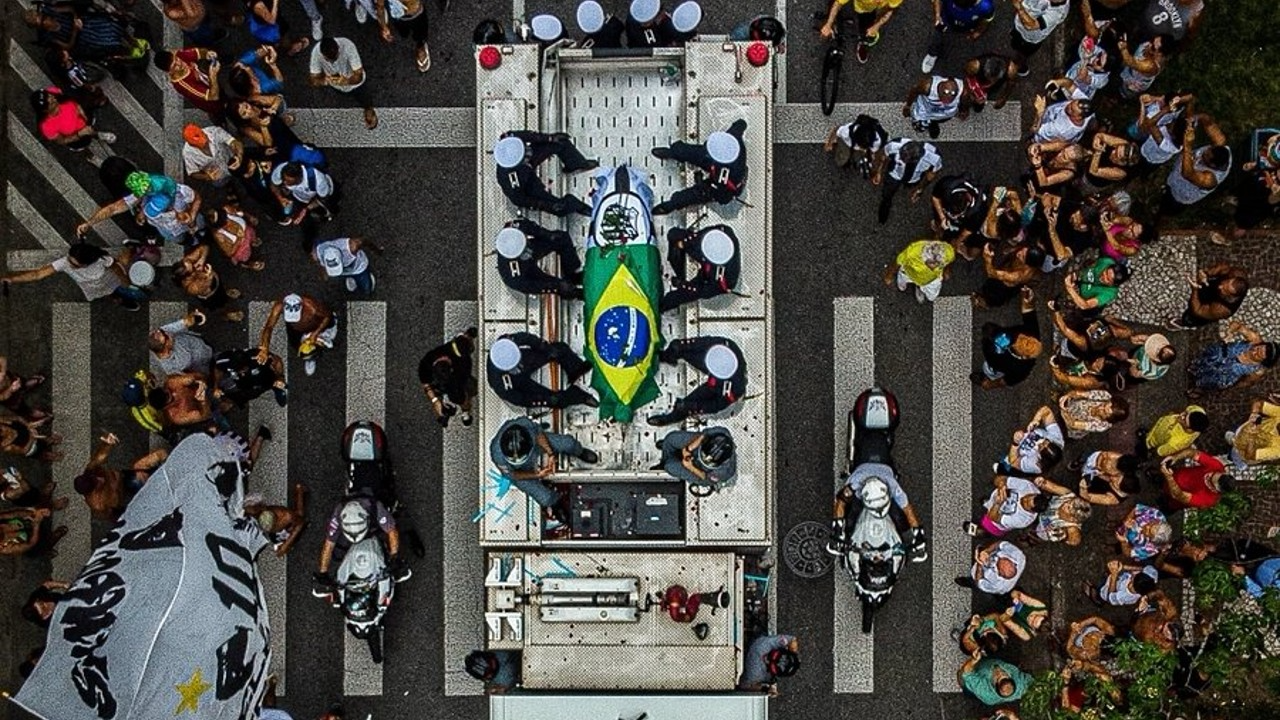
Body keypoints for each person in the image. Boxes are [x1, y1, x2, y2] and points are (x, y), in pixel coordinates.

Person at [489, 417, 599, 517]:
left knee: (568, 443)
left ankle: (579, 451)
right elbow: (513, 475)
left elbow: (539, 434)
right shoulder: (497, 455)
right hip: (520, 471)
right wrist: (537, 474)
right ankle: (556, 504)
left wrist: (550, 454)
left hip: (534, 448)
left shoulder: (524, 424)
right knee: (544, 498)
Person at [2, 242, 141, 311]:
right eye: (70, 260)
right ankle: (115, 297)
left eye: (75, 264)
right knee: (105, 293)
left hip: (107, 278)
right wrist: (13, 279)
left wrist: (125, 281)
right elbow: (38, 274)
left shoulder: (102, 260)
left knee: (120, 270)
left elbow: (117, 269)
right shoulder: (64, 262)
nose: (69, 264)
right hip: (90, 286)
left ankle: (130, 247)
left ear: (87, 263)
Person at [829, 461, 928, 557]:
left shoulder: (893, 485)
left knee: (899, 518)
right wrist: (838, 529)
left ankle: (906, 537)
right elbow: (841, 500)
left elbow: (907, 508)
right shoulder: (854, 483)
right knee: (850, 519)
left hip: (880, 470)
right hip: (863, 475)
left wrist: (918, 533)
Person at [651, 119, 749, 215]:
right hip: (716, 164)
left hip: (722, 184)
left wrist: (701, 184)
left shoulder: (727, 177)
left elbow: (723, 198)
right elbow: (741, 124)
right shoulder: (731, 139)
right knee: (690, 151)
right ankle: (674, 152)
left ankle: (671, 205)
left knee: (696, 194)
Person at [647, 337, 747, 426]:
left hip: (716, 387)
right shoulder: (725, 345)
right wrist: (684, 345)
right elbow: (703, 342)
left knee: (685, 407)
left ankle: (668, 419)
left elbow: (716, 405)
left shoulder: (736, 388)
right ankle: (665, 356)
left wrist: (695, 407)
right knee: (678, 347)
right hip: (709, 361)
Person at [486, 333, 597, 410]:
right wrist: (544, 400)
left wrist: (544, 347)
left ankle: (575, 368)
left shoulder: (505, 343)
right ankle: (579, 396)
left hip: (526, 358)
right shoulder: (499, 385)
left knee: (560, 349)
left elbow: (527, 338)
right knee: (556, 401)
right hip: (520, 382)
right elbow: (521, 400)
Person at [73, 432, 166, 521]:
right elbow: (112, 516)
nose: (100, 479)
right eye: (97, 483)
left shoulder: (91, 470)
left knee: (142, 470)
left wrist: (107, 445)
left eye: (95, 477)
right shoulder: (98, 504)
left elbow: (99, 457)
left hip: (123, 479)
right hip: (123, 498)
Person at [493, 135, 593, 216]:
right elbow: (519, 199)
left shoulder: (510, 138)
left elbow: (530, 135)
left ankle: (576, 163)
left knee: (560, 142)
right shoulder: (509, 178)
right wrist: (541, 205)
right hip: (528, 183)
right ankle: (578, 206)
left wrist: (549, 138)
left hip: (529, 163)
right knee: (558, 207)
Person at [315, 490, 402, 583]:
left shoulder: (375, 506)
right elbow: (329, 544)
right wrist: (323, 572)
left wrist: (394, 556)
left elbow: (392, 531)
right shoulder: (338, 514)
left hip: (372, 529)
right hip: (352, 533)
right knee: (337, 553)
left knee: (387, 541)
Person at [1160, 114, 1231, 217]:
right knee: (1167, 191)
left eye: (1206, 156)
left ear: (1212, 165)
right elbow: (1207, 120)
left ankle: (1163, 216)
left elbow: (1187, 173)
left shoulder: (1210, 179)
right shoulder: (1220, 144)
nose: (1203, 153)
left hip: (1181, 194)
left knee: (1169, 208)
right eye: (1207, 150)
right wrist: (1194, 119)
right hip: (1175, 179)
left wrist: (1187, 145)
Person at [493, 221, 584, 299]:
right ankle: (579, 294)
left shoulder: (513, 228)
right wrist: (555, 286)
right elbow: (532, 286)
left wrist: (548, 234)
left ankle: (573, 274)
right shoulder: (513, 277)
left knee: (561, 238)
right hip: (527, 271)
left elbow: (531, 227)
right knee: (562, 287)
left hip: (532, 247)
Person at [660, 225, 741, 311]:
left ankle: (661, 307)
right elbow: (697, 236)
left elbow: (700, 291)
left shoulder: (725, 279)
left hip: (708, 277)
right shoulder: (722, 232)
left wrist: (682, 284)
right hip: (702, 250)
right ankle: (677, 266)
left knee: (675, 297)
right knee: (674, 234)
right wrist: (684, 243)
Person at [975, 287, 1041, 389]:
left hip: (994, 356)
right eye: (1026, 341)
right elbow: (1028, 312)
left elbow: (1005, 381)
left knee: (990, 369)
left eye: (1024, 341)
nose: (1023, 338)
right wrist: (988, 385)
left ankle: (987, 374)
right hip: (993, 353)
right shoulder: (1031, 333)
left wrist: (990, 385)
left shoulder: (1021, 369)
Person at [257, 293, 338, 376]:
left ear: (302, 306)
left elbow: (327, 316)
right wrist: (264, 348)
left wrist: (315, 334)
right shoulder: (279, 306)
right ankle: (309, 356)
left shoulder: (312, 306)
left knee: (327, 326)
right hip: (296, 329)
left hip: (315, 325)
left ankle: (323, 336)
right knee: (297, 345)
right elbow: (269, 327)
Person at [309, 37, 378, 130]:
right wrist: (324, 81)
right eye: (329, 60)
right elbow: (314, 80)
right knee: (343, 93)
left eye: (335, 57)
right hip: (336, 86)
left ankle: (369, 109)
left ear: (338, 48)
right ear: (322, 55)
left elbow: (359, 75)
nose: (332, 62)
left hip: (356, 84)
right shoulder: (316, 54)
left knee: (364, 97)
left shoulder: (348, 45)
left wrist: (348, 81)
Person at [1187, 323, 1278, 393]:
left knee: (1207, 383)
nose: (1254, 352)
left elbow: (1246, 382)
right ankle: (1193, 368)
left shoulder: (1258, 371)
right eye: (1257, 348)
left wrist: (1231, 386)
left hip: (1224, 375)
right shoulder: (1254, 339)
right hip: (1217, 355)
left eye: (1257, 355)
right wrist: (1229, 333)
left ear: (1263, 361)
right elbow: (1237, 325)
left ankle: (1198, 387)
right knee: (1202, 362)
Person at [872, 137, 942, 225]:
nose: (900, 160)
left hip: (914, 179)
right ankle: (884, 209)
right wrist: (879, 171)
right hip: (894, 175)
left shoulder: (934, 157)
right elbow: (883, 156)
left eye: (904, 160)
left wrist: (921, 189)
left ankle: (906, 186)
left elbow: (931, 174)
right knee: (887, 195)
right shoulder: (894, 145)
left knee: (909, 185)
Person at [963, 474, 1058, 538]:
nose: (1024, 499)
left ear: (1032, 511)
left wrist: (997, 503)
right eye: (1028, 497)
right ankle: (988, 503)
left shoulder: (1023, 520)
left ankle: (980, 531)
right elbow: (999, 479)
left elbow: (993, 517)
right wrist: (1001, 485)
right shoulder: (1028, 487)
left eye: (1026, 504)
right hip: (996, 498)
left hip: (996, 521)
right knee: (991, 497)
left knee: (986, 527)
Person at [418, 328, 478, 427]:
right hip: (450, 383)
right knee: (460, 398)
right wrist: (435, 401)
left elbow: (426, 385)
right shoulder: (426, 368)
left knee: (467, 392)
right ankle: (465, 412)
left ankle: (465, 411)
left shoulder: (463, 364)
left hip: (456, 380)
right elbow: (426, 384)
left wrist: (434, 400)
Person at [31, 86, 114, 154]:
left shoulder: (52, 91)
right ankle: (90, 154)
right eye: (52, 103)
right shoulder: (47, 126)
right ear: (45, 110)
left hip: (84, 119)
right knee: (84, 145)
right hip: (77, 137)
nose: (55, 100)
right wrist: (80, 134)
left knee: (92, 129)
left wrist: (80, 109)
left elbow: (71, 99)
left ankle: (97, 135)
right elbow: (62, 141)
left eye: (51, 96)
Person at [920, 0, 995, 74]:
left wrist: (978, 31)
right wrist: (937, 15)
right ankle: (933, 53)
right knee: (937, 38)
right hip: (945, 20)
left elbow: (986, 20)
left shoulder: (986, 6)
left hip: (967, 26)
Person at [817, 0, 903, 65]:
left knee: (866, 25)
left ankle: (862, 41)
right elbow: (838, 3)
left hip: (867, 9)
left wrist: (876, 26)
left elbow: (890, 9)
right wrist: (828, 24)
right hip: (863, 7)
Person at [1168, 264, 1250, 330]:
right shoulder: (1237, 274)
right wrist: (1207, 273)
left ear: (1231, 295)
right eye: (1226, 282)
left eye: (1225, 290)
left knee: (1192, 318)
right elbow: (1223, 267)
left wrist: (1195, 290)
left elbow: (1198, 310)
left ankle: (1184, 323)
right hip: (1210, 289)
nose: (1220, 287)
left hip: (1207, 307)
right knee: (1206, 289)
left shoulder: (1222, 309)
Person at [174, 244, 243, 322]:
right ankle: (227, 314)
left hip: (216, 282)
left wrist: (201, 259)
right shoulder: (191, 287)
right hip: (211, 295)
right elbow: (206, 284)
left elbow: (204, 247)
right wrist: (208, 274)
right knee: (219, 305)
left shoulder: (187, 262)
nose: (194, 265)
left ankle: (227, 293)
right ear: (187, 277)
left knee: (222, 288)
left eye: (191, 264)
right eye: (193, 269)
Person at [655, 427, 737, 492]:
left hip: (702, 471)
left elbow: (705, 479)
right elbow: (704, 434)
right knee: (670, 439)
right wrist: (689, 448)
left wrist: (690, 467)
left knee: (670, 466)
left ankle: (665, 463)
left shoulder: (724, 472)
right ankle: (668, 452)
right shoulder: (721, 432)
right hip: (699, 446)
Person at [154, 47, 224, 120]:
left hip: (211, 84)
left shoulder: (179, 55)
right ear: (170, 72)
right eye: (175, 66)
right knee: (222, 111)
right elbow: (213, 96)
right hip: (212, 102)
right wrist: (213, 76)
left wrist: (208, 54)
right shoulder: (183, 85)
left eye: (176, 59)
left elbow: (199, 53)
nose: (179, 63)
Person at [243, 483, 307, 557]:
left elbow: (300, 523)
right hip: (277, 529)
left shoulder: (286, 516)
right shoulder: (257, 513)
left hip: (288, 526)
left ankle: (300, 491)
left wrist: (286, 545)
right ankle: (299, 490)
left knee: (299, 515)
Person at [213, 346, 289, 408]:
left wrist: (280, 377)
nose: (240, 372)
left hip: (263, 378)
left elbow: (277, 361)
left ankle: (275, 388)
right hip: (243, 383)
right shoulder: (224, 359)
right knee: (247, 394)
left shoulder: (258, 357)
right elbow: (218, 369)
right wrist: (216, 386)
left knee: (265, 382)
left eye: (242, 369)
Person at [883, 238, 954, 304]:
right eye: (931, 263)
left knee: (932, 297)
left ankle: (919, 286)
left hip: (932, 279)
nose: (933, 267)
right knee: (902, 285)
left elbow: (950, 260)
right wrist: (889, 275)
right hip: (909, 273)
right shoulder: (911, 252)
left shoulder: (948, 252)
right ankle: (916, 285)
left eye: (937, 263)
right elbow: (898, 263)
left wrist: (947, 269)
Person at [1008, 0, 1070, 74]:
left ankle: (1020, 68)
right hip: (1019, 25)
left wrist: (1019, 7)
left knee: (1021, 55)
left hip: (1029, 39)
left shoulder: (1057, 12)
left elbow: (1031, 25)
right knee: (1014, 42)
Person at [1158, 451, 1233, 511]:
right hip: (1177, 474)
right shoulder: (1217, 467)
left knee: (1167, 506)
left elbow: (1179, 495)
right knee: (1161, 481)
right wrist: (1176, 457)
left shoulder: (1208, 499)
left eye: (1210, 479)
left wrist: (1169, 477)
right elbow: (1194, 454)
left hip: (1175, 496)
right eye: (1211, 474)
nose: (1209, 475)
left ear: (1216, 488)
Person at [149, 308, 213, 377]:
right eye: (166, 336)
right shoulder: (170, 368)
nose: (167, 332)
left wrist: (194, 315)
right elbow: (187, 376)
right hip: (201, 364)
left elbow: (186, 321)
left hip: (201, 343)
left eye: (161, 331)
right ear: (166, 346)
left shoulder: (164, 331)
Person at [270, 161, 337, 226]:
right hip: (298, 195)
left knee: (316, 216)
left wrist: (306, 209)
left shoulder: (318, 180)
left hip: (319, 196)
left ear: (299, 178)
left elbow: (323, 199)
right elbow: (274, 184)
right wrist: (280, 198)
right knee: (287, 211)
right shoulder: (282, 169)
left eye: (289, 181)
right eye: (284, 179)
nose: (285, 183)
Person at [207, 199, 266, 271]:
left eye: (226, 218)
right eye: (224, 223)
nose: (228, 222)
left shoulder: (227, 209)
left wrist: (249, 216)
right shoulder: (218, 233)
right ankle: (250, 264)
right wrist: (239, 239)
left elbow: (241, 212)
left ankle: (254, 243)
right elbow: (229, 253)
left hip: (248, 232)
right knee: (245, 257)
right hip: (240, 247)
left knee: (253, 233)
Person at [903, 75, 967, 140]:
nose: (945, 103)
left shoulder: (963, 92)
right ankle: (930, 124)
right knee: (919, 127)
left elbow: (965, 102)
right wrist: (908, 106)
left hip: (945, 115)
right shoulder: (926, 86)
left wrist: (963, 110)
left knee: (940, 120)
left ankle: (934, 123)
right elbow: (914, 92)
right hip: (925, 113)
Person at [1061, 256, 1130, 315]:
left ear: (1113, 284)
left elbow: (1085, 305)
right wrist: (1078, 274)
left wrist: (1069, 288)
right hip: (1080, 282)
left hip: (1081, 297)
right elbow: (1093, 264)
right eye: (1105, 272)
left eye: (1108, 279)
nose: (1103, 276)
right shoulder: (1106, 261)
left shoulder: (1109, 293)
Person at [182, 123, 243, 188]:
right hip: (219, 176)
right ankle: (230, 187)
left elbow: (235, 142)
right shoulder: (187, 153)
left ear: (203, 132)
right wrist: (207, 177)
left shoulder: (215, 131)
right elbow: (193, 172)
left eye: (205, 141)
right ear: (191, 145)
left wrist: (239, 156)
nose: (205, 145)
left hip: (232, 161)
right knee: (222, 184)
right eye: (200, 145)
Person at [313, 236, 380, 295]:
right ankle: (351, 278)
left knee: (367, 290)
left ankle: (368, 278)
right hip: (346, 272)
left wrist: (377, 250)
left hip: (359, 269)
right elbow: (319, 263)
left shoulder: (352, 247)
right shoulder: (317, 253)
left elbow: (364, 241)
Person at [1227, 396, 1280, 468]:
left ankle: (1232, 455)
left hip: (1241, 451)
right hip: (1242, 429)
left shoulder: (1278, 450)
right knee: (1228, 434)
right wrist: (1253, 414)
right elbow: (1258, 404)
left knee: (1236, 459)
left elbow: (1251, 455)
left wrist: (1251, 436)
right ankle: (1232, 438)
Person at [956, 540, 1026, 595]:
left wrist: (979, 563)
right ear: (1013, 563)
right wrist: (987, 551)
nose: (997, 559)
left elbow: (980, 582)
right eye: (1003, 559)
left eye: (998, 563)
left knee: (975, 582)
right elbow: (1000, 544)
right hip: (987, 557)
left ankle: (969, 582)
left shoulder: (997, 585)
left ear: (1000, 573)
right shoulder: (1019, 556)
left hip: (981, 572)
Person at [1074, 450, 1140, 505]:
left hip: (1093, 491)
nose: (1114, 478)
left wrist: (1083, 488)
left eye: (1116, 482)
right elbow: (1106, 455)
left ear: (1118, 488)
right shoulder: (1125, 470)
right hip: (1096, 475)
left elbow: (1089, 498)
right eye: (1118, 477)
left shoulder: (1113, 499)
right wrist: (1099, 468)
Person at [1141, 405, 1208, 460]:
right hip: (1161, 425)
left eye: (1184, 420)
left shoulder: (1176, 443)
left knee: (1142, 447)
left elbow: (1160, 451)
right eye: (1186, 414)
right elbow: (1189, 408)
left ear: (1190, 429)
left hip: (1154, 440)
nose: (1181, 416)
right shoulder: (1198, 411)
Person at [958, 655, 1032, 705]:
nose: (1000, 672)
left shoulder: (985, 690)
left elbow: (966, 672)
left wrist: (973, 660)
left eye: (998, 677)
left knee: (960, 674)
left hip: (970, 684)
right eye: (1005, 675)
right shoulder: (1021, 683)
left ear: (994, 684)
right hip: (992, 661)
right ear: (1011, 678)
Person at [1058, 389, 1129, 439]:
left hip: (1068, 425)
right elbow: (1078, 393)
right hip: (1071, 404)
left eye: (1104, 412)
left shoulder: (1102, 426)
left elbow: (1072, 424)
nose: (1100, 408)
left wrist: (1063, 410)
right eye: (1104, 405)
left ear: (1108, 418)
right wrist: (1067, 396)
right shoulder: (1105, 396)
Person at [1087, 559, 1158, 606]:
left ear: (1131, 585)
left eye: (1133, 578)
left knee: (1101, 594)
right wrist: (1124, 567)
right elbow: (1143, 569)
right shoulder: (1151, 577)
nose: (1133, 574)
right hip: (1117, 578)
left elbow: (1110, 597)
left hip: (1106, 590)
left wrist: (1114, 575)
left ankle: (1098, 599)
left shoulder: (1125, 597)